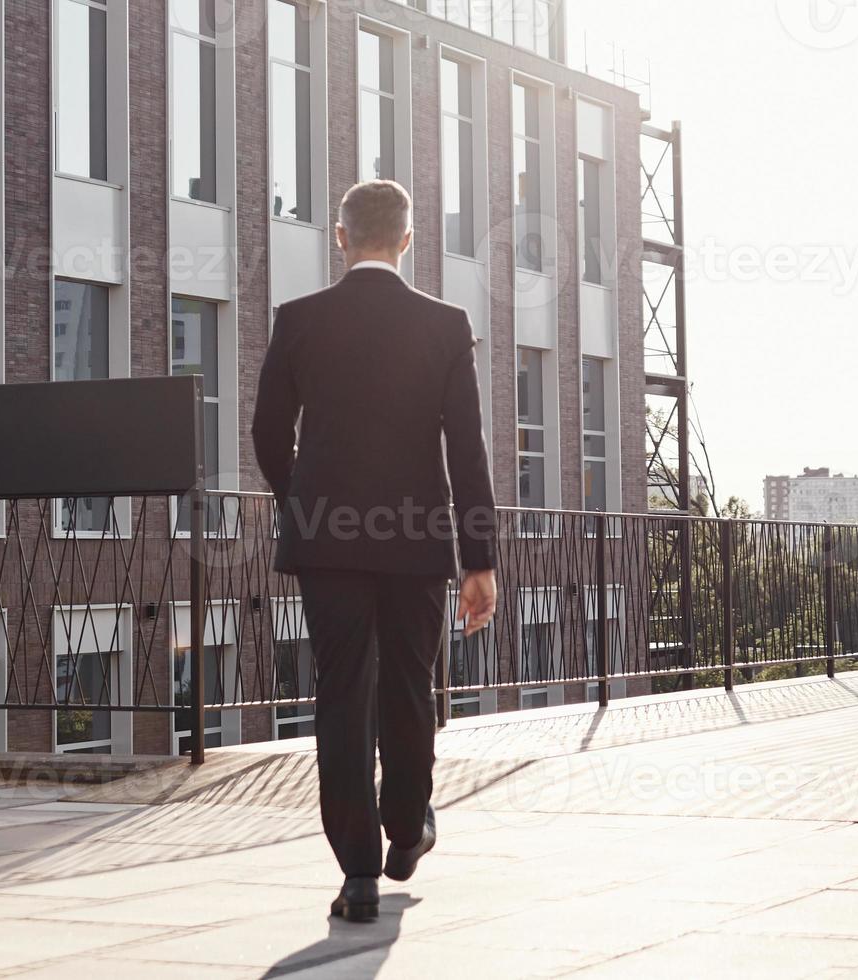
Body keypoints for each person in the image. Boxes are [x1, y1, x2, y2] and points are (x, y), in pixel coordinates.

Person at [251, 179, 501, 923]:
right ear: (407, 239)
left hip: (327, 540)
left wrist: (307, 502)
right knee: (409, 686)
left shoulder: (299, 320)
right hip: (418, 537)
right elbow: (468, 447)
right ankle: (407, 825)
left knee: (341, 693)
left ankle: (358, 872)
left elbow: (268, 432)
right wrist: (478, 558)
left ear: (340, 237)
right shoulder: (445, 324)